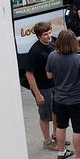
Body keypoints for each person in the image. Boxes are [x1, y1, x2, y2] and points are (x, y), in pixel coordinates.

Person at [46, 30, 80, 159]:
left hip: (59, 98)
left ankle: (62, 152)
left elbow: (49, 76)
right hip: (76, 98)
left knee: (61, 126)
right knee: (77, 129)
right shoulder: (78, 58)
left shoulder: (52, 56)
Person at [25, 22, 60, 151]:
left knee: (57, 112)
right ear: (39, 36)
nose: (49, 36)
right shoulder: (35, 51)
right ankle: (47, 141)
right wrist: (38, 94)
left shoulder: (53, 42)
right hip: (42, 88)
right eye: (45, 34)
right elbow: (29, 74)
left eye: (50, 32)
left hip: (54, 85)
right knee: (45, 115)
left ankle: (57, 136)